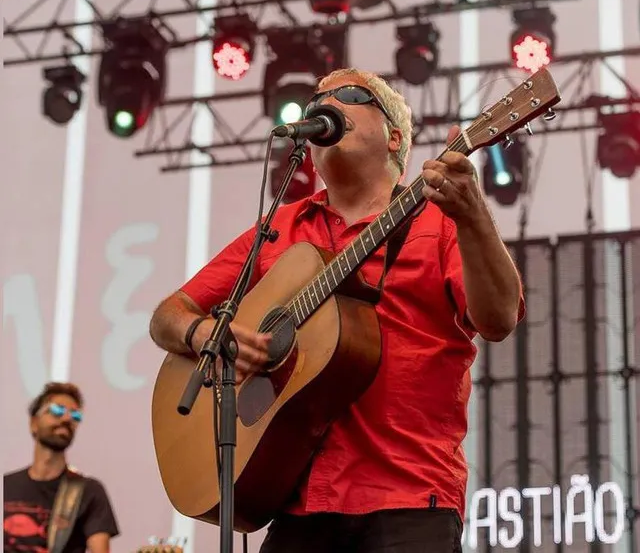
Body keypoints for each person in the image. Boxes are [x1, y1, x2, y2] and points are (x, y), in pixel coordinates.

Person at [149, 67, 525, 552]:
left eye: (349, 95)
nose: (322, 105)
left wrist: (473, 213)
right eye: (315, 101)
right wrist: (206, 335)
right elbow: (168, 315)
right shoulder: (280, 227)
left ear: (394, 137)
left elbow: (498, 320)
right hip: (297, 504)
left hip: (407, 497)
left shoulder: (441, 220)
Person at [3, 382, 120, 553]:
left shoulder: (89, 491)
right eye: (57, 410)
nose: (67, 419)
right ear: (34, 423)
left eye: (75, 415)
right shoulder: (5, 486)